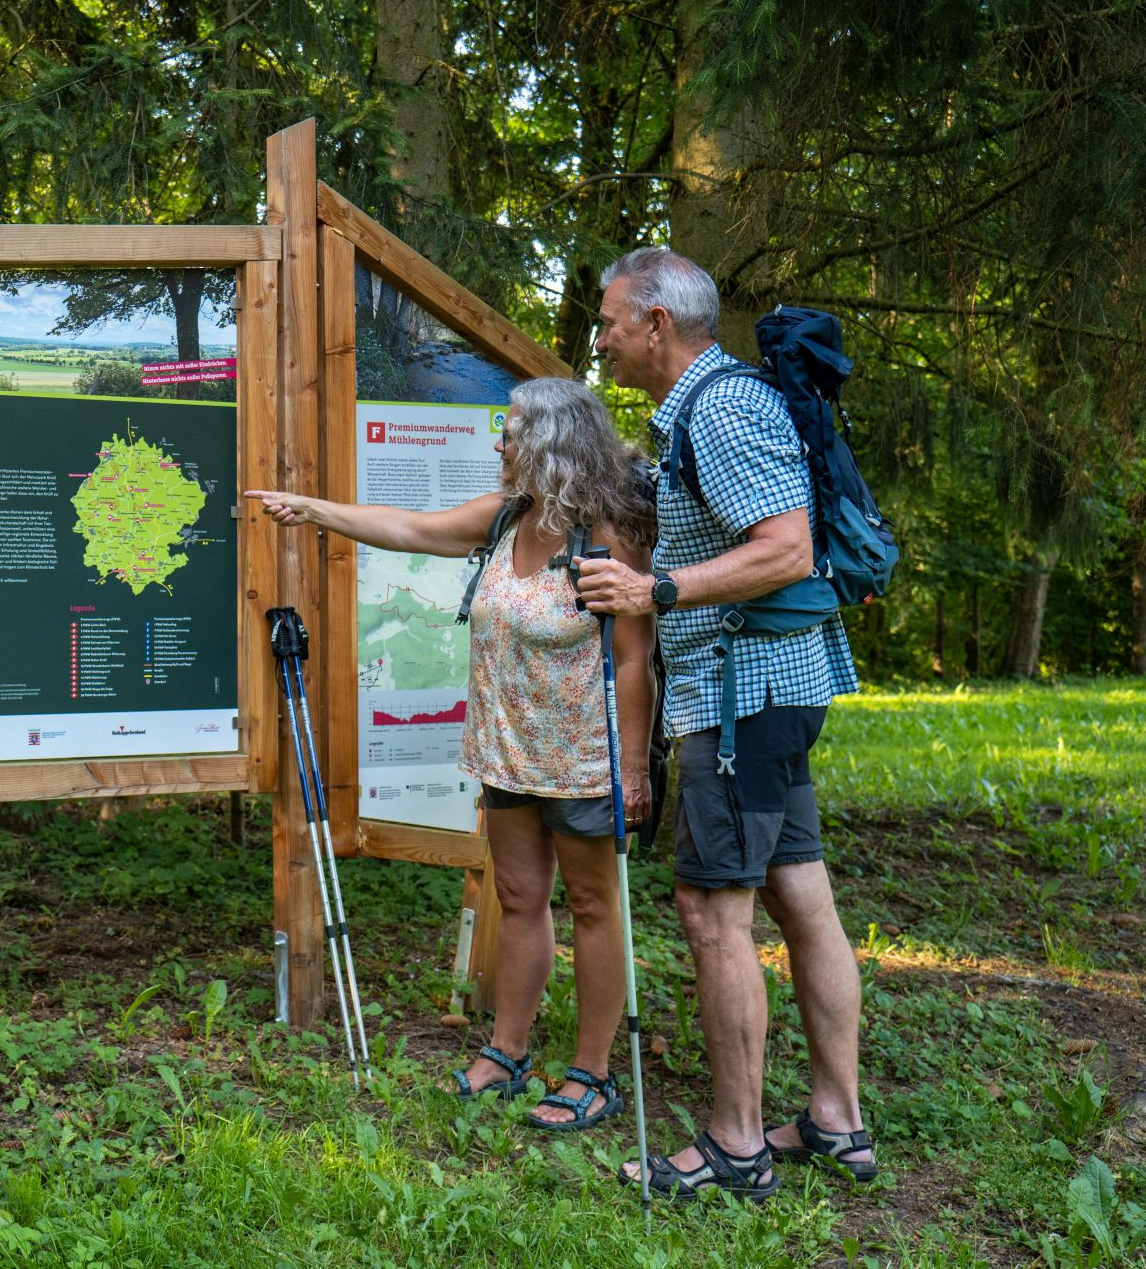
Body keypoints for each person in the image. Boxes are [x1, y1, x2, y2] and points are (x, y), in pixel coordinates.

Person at [246, 377, 655, 1132]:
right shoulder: (508, 519)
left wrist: (632, 767)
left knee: (596, 908)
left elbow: (634, 657)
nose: (499, 441)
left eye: (513, 430)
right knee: (522, 901)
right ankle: (507, 1052)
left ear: (551, 441)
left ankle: (593, 1074)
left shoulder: (606, 535)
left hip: (582, 761)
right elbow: (409, 528)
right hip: (505, 754)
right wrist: (311, 511)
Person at [575, 247, 875, 1201]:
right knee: (802, 899)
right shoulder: (706, 410)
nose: (604, 338)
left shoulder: (725, 408)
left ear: (657, 324)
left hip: (743, 701)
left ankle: (736, 1145)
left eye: (612, 321)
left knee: (715, 911)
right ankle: (835, 1122)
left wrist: (655, 586)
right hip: (772, 692)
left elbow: (784, 548)